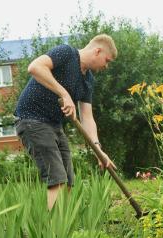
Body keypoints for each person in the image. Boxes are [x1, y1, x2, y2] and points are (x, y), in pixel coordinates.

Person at [14, 34, 117, 210]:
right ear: (97, 51)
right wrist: (64, 94)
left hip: (53, 125)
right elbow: (35, 67)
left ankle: (62, 232)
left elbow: (87, 117)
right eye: (106, 61)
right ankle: (52, 235)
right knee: (57, 179)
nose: (106, 66)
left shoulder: (88, 80)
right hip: (32, 119)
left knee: (68, 181)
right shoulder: (66, 53)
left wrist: (98, 149)